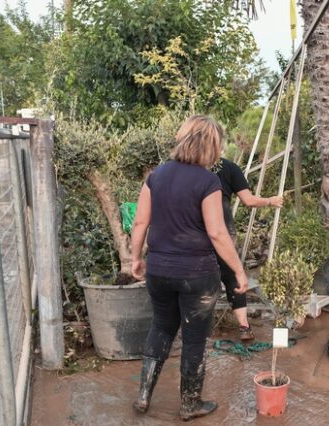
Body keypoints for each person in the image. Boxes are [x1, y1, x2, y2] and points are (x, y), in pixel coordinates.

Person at [130, 115, 248, 421]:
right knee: (195, 338)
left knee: (161, 326)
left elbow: (141, 222)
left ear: (182, 138)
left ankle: (143, 395)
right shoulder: (207, 181)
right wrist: (238, 271)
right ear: (213, 147)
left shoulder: (156, 175)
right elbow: (218, 233)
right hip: (197, 274)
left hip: (158, 269)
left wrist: (135, 258)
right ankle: (189, 404)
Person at [211, 158, 283, 340]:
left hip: (194, 229)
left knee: (199, 275)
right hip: (223, 226)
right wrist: (270, 201)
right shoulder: (229, 167)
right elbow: (248, 201)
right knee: (233, 274)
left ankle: (198, 328)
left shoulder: (188, 167)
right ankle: (244, 326)